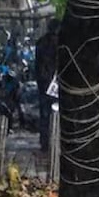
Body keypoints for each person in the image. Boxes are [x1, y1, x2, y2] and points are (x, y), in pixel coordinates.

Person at [35, 18, 60, 152]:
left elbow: (37, 65)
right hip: (55, 82)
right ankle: (53, 139)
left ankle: (45, 141)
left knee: (45, 113)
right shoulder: (60, 43)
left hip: (44, 82)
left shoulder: (41, 42)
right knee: (55, 111)